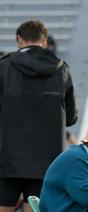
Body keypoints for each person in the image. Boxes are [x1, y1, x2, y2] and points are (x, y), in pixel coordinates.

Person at [0, 20, 78, 212]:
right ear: (43, 41)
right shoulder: (62, 70)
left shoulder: (3, 68)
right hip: (47, 162)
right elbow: (70, 118)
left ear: (19, 39)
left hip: (7, 159)